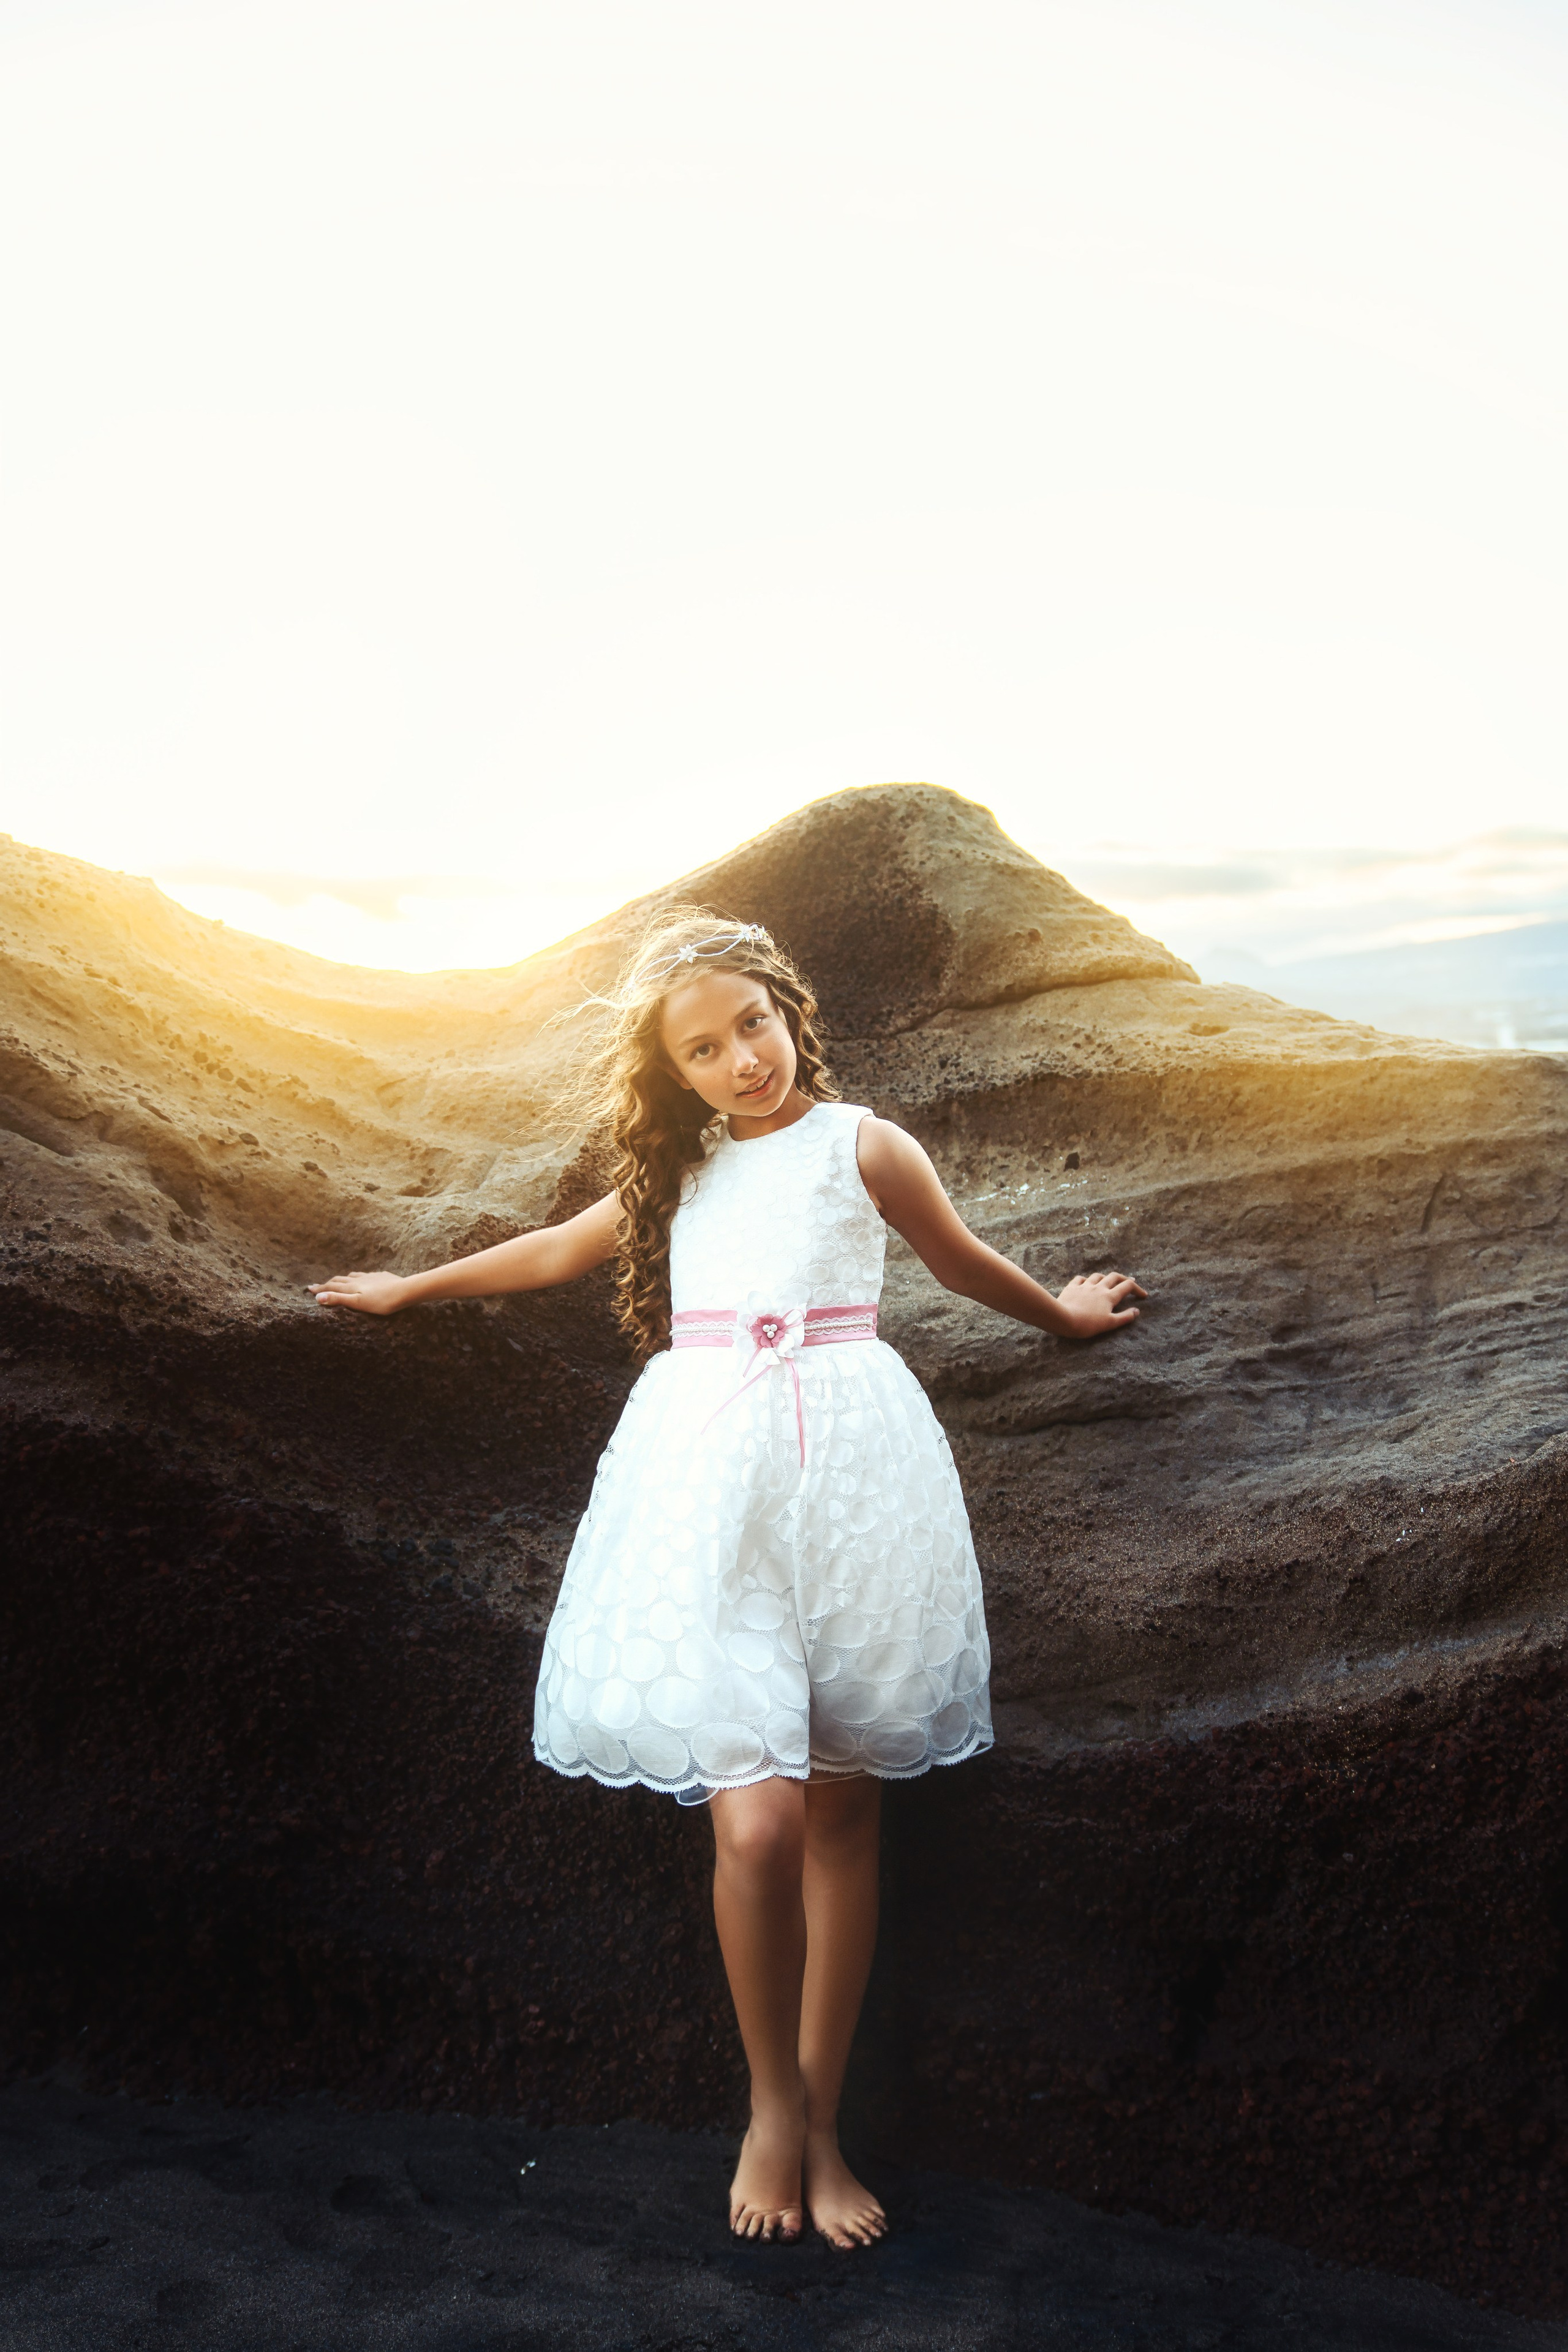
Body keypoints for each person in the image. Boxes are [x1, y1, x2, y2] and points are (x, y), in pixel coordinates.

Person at [311, 910, 1145, 2249]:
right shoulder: (680, 1172)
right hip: (707, 1499)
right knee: (752, 1827)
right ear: (677, 1074)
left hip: (853, 1486)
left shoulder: (864, 1144)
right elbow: (553, 1251)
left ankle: (821, 2120)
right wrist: (412, 1288)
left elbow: (956, 1260)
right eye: (703, 1050)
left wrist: (1062, 1313)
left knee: (840, 1818)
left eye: (750, 1026)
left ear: (788, 1011)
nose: (739, 1061)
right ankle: (769, 2103)